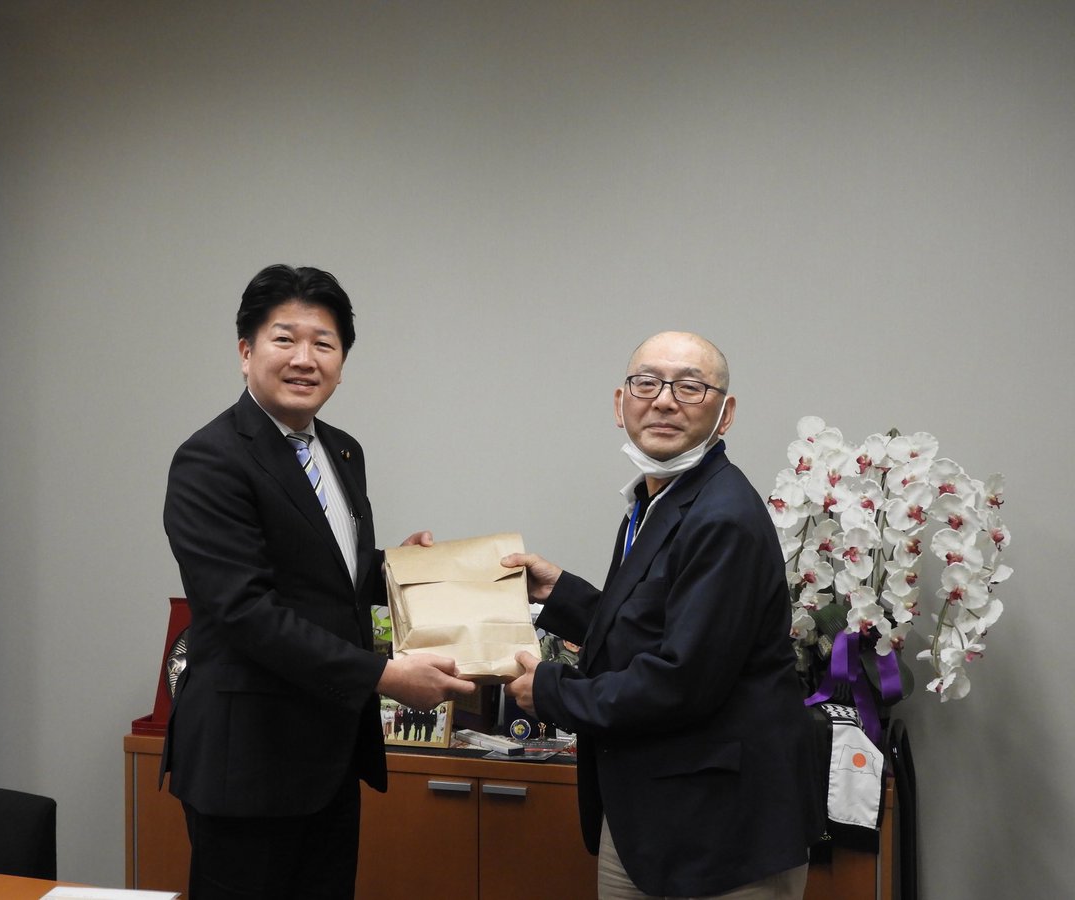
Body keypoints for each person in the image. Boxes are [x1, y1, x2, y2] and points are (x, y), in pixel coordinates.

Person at [162, 264, 475, 899]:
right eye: (285, 339)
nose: (305, 359)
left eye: (324, 344)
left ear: (341, 363)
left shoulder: (342, 450)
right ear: (246, 351)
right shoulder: (210, 459)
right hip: (247, 762)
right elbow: (246, 612)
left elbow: (325, 573)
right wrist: (383, 675)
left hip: (328, 755)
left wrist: (402, 571)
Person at [503, 331, 822, 900]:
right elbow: (654, 626)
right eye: (646, 383)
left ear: (725, 414)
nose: (665, 400)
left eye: (690, 387)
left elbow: (683, 680)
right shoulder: (658, 499)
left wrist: (552, 692)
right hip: (650, 814)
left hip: (719, 833)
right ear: (620, 403)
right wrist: (560, 596)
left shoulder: (722, 516)